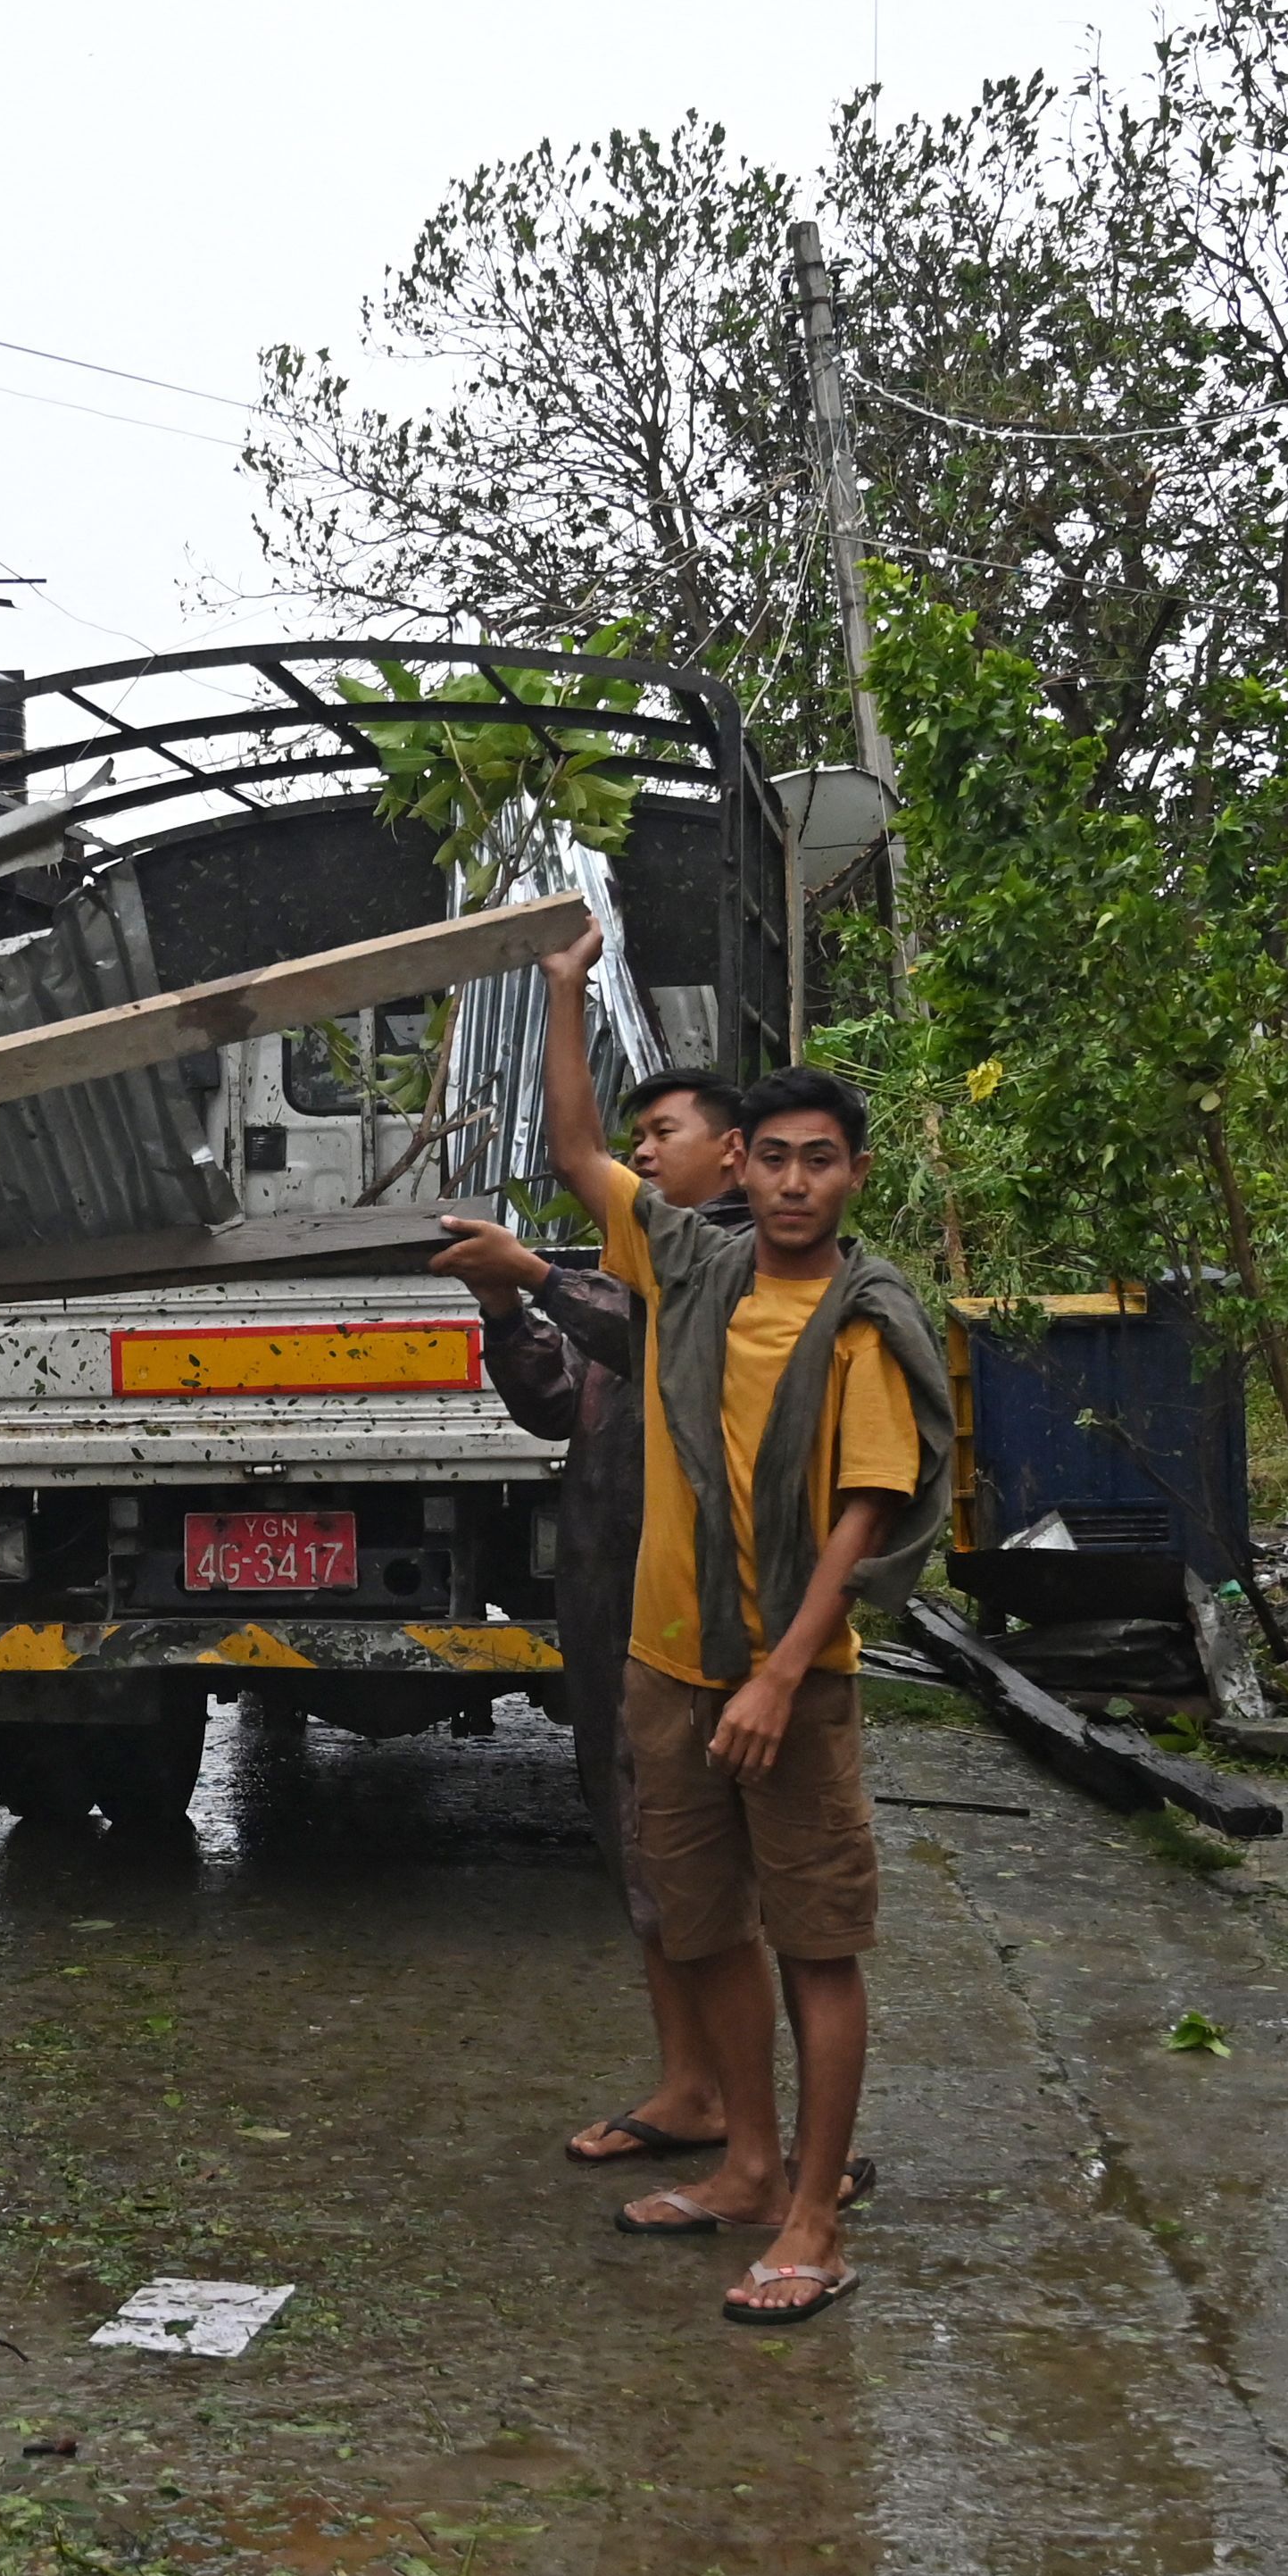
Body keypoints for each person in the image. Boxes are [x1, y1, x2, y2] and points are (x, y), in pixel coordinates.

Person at [535, 930, 953, 2325]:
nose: (790, 1182)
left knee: (816, 1945)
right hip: (668, 1663)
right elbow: (580, 1154)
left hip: (790, 1685)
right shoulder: (687, 1274)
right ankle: (750, 2169)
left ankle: (817, 2218)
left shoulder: (858, 1320)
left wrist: (779, 1674)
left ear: (853, 1175)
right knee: (703, 1928)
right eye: (770, 1158)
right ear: (736, 1168)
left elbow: (864, 1512)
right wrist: (563, 995)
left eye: (818, 1160)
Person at [433, 1067, 752, 2169]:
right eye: (637, 1139)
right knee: (645, 1853)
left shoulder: (739, 1264)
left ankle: (776, 2130)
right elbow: (561, 1400)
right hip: (611, 1600)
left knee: (728, 1877)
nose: (644, 1154)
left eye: (663, 1134)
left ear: (737, 1153)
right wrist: (504, 1303)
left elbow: (655, 1335)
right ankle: (690, 2087)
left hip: (704, 1619)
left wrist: (537, 1273)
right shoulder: (636, 1264)